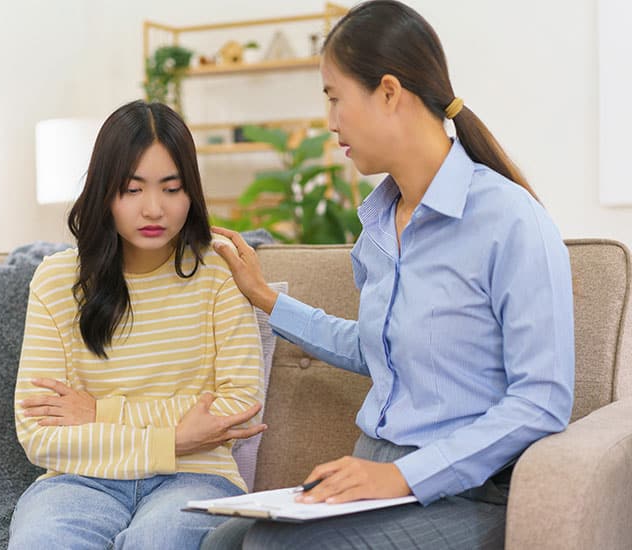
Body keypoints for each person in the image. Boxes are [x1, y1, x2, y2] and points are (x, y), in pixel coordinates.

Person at [204, 1, 574, 548]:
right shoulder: (379, 224)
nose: (329, 122)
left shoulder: (510, 221)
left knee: (269, 547)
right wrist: (264, 298)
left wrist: (404, 475)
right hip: (374, 473)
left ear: (389, 92)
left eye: (334, 97)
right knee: (220, 541)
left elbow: (542, 400)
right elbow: (379, 347)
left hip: (466, 493)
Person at [8, 99, 267, 550]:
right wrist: (173, 439)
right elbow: (39, 433)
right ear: (105, 191)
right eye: (132, 189)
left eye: (171, 188)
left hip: (197, 478)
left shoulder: (218, 273)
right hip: (81, 481)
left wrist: (100, 412)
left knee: (158, 541)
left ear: (192, 192)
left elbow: (237, 406)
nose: (154, 209)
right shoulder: (56, 280)